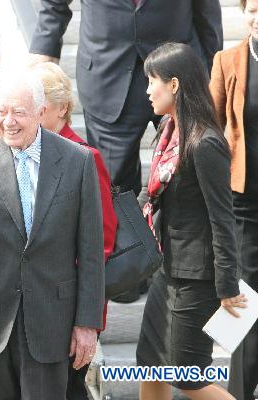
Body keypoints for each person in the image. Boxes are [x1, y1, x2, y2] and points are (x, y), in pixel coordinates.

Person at [0, 74, 105, 399]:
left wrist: (87, 324)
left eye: (19, 112)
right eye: (2, 111)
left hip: (51, 320)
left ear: (41, 112)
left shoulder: (78, 161)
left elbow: (91, 250)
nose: (9, 122)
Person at [136, 43, 246, 400]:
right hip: (166, 269)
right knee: (150, 365)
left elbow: (223, 219)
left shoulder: (205, 143)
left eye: (152, 81)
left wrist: (228, 286)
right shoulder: (167, 133)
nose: (148, 90)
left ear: (175, 84)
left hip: (198, 278)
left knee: (186, 376)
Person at [29, 0, 222, 196]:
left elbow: (207, 10)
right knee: (114, 189)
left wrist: (213, 72)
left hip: (177, 77)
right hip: (107, 76)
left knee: (187, 182)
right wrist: (42, 59)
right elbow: (54, 5)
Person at [32, 61, 117, 400]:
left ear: (61, 108)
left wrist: (84, 318)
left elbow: (103, 241)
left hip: (71, 306)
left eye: (38, 105)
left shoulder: (84, 157)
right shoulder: (28, 151)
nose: (29, 113)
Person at [210, 1, 258, 398]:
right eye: (253, 9)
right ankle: (240, 391)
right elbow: (210, 126)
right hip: (245, 201)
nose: (257, 18)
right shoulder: (227, 61)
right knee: (246, 298)